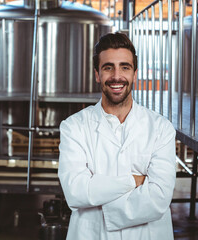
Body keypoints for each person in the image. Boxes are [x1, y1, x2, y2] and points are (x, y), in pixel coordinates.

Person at [58, 32, 176, 240]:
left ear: (134, 74)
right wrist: (135, 180)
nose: (116, 76)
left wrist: (99, 196)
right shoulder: (73, 127)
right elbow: (76, 192)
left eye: (125, 67)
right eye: (108, 67)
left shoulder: (161, 128)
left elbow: (159, 198)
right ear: (97, 74)